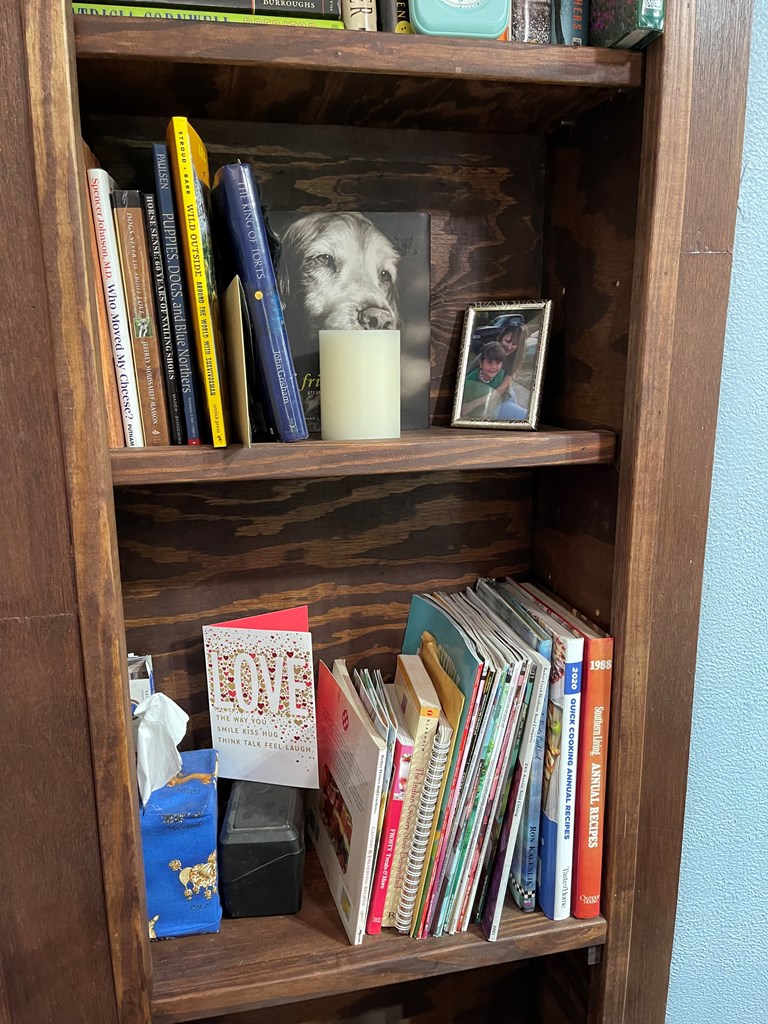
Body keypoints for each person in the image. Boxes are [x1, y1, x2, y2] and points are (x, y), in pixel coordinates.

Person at [460, 340, 506, 418]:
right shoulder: (469, 381)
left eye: (498, 362)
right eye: (489, 362)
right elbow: (464, 408)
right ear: (481, 363)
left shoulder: (501, 373)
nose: (494, 367)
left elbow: (502, 391)